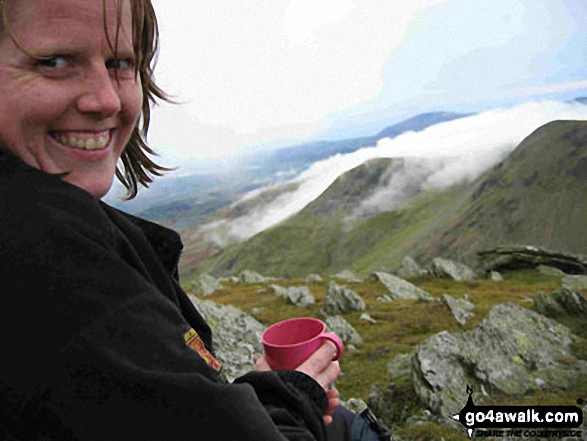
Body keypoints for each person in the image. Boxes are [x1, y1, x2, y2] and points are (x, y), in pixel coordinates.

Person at [0, 1, 387, 440]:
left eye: (120, 63)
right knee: (347, 429)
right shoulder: (50, 260)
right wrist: (295, 395)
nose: (106, 99)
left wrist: (273, 394)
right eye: (54, 62)